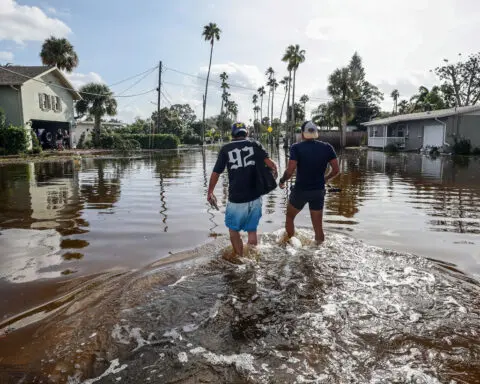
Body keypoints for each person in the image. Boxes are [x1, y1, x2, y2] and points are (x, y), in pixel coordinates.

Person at [207, 122, 278, 260]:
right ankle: (252, 258)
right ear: (246, 133)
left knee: (234, 230)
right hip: (255, 197)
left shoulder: (226, 149)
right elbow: (273, 165)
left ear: (232, 134)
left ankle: (240, 258)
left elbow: (216, 172)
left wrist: (210, 192)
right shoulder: (255, 144)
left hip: (236, 198)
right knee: (252, 230)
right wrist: (273, 176)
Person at [279, 121, 340, 244]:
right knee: (318, 228)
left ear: (303, 133)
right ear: (316, 133)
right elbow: (336, 170)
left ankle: (290, 243)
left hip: (300, 190)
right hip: (318, 191)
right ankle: (318, 250)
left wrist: (282, 180)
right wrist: (325, 179)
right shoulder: (327, 147)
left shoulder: (296, 148)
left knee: (290, 217)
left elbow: (290, 171)